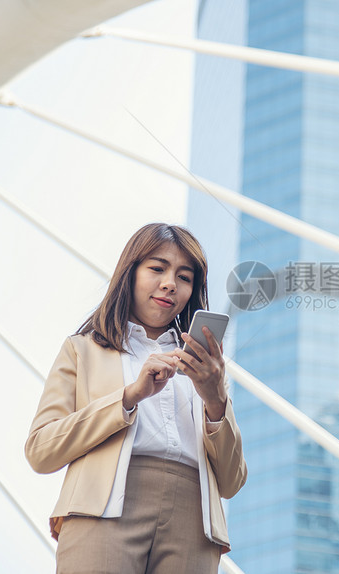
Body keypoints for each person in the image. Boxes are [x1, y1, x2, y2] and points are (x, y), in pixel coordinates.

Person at [25, 223, 247, 574]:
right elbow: (40, 450)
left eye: (185, 277)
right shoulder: (83, 351)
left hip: (193, 521)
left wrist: (216, 399)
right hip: (103, 511)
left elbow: (232, 481)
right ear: (129, 274)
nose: (170, 283)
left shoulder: (205, 368)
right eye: (157, 268)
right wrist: (129, 397)